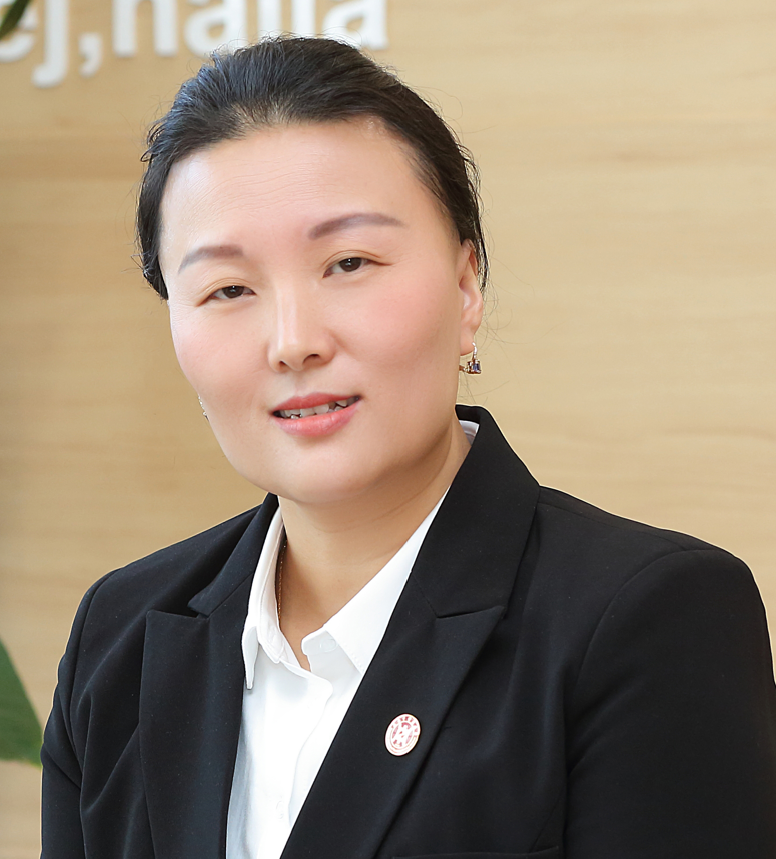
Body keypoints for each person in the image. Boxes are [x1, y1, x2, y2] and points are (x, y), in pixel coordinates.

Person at [41, 36, 776, 859]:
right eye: (229, 288)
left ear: (466, 286)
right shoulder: (121, 634)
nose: (293, 341)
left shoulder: (648, 617)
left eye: (348, 262)